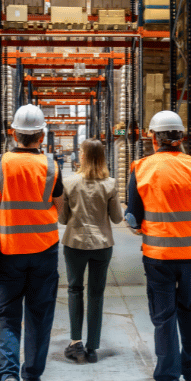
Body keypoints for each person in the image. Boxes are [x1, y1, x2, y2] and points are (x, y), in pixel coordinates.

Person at [124, 111, 191, 381]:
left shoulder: (141, 168)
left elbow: (133, 218)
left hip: (158, 258)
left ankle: (167, 378)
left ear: (154, 138)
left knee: (164, 318)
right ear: (181, 138)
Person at [0, 104, 64, 381]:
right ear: (42, 136)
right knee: (39, 315)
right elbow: (61, 210)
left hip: (9, 251)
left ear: (13, 133)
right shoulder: (51, 166)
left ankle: (9, 374)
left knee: (7, 314)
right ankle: (32, 375)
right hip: (44, 251)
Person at [58, 138, 123, 364]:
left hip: (75, 243)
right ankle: (93, 348)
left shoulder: (69, 183)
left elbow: (63, 219)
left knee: (75, 290)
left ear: (82, 156)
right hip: (102, 245)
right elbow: (117, 218)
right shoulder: (110, 184)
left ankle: (76, 343)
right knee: (96, 294)